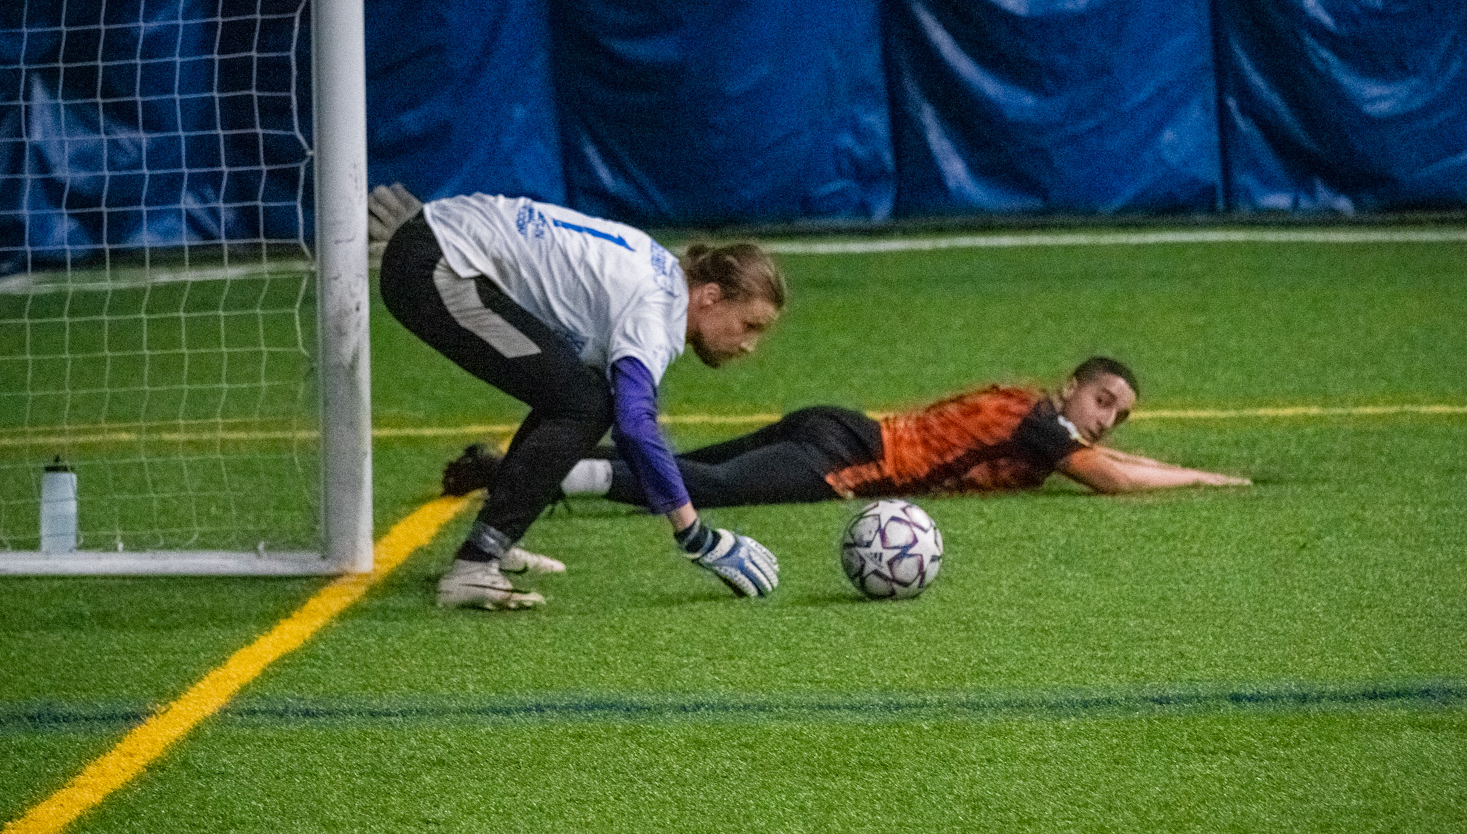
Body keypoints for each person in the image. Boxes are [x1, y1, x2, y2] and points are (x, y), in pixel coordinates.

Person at [371, 184, 785, 609]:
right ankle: (476, 564)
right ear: (711, 296)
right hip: (437, 265)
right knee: (583, 404)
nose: (748, 344)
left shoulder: (661, 273)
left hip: (437, 247)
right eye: (749, 325)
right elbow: (635, 429)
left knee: (580, 397)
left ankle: (491, 544)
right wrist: (695, 535)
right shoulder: (656, 313)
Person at [443, 357, 1249, 510]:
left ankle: (505, 469)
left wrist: (1179, 467)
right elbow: (1109, 478)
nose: (1106, 420)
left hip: (836, 421)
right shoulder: (1038, 427)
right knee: (699, 488)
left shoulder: (1030, 407)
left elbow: (1109, 458)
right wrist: (1207, 482)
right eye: (1104, 398)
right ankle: (530, 478)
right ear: (1071, 384)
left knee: (679, 465)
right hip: (850, 457)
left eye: (1119, 415)